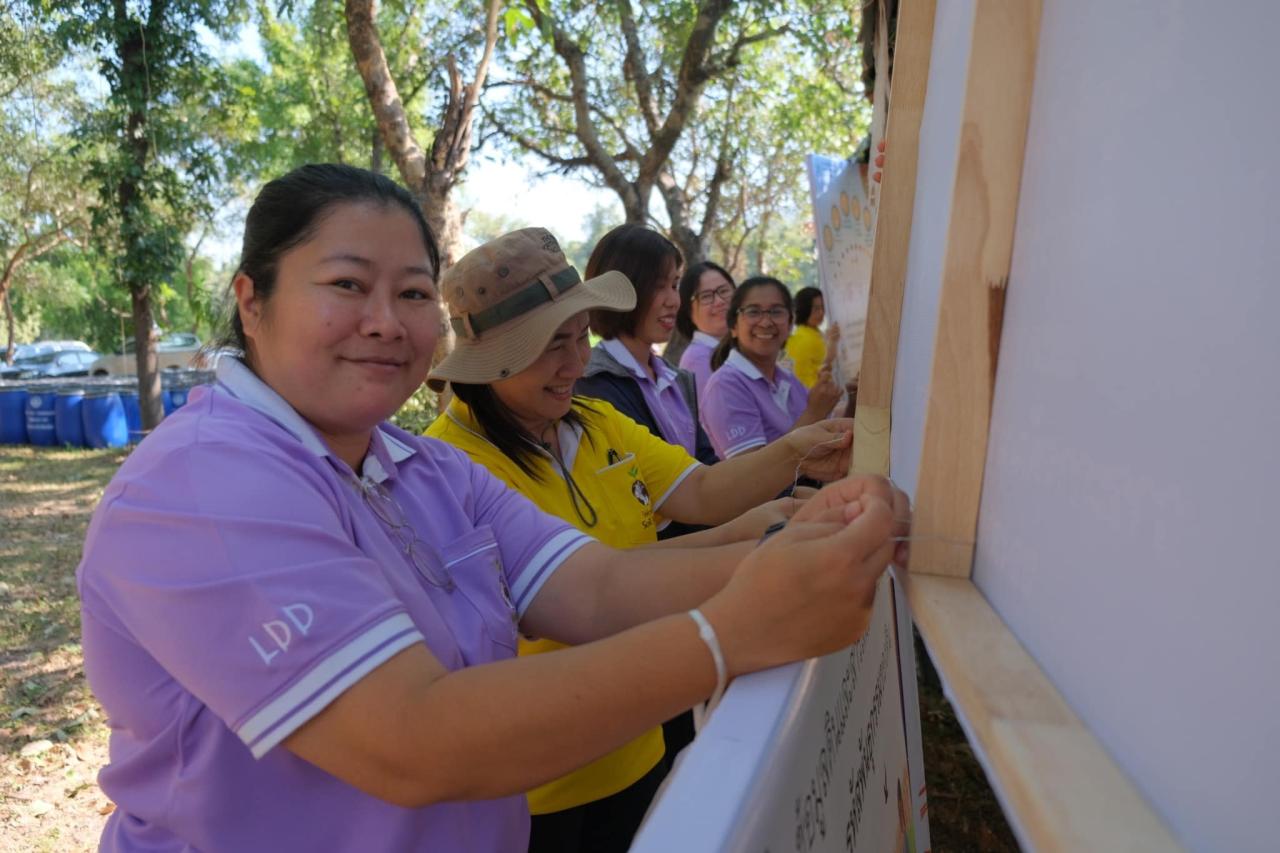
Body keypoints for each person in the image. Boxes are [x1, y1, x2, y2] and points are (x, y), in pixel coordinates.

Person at [76, 164, 909, 853]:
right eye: (345, 284)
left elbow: (598, 587)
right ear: (251, 301)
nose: (384, 322)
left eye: (409, 295)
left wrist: (807, 540)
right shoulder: (202, 483)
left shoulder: (422, 466)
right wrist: (731, 632)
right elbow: (411, 738)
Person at [425, 228, 866, 850]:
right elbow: (587, 592)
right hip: (539, 789)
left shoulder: (595, 419)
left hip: (637, 736)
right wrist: (763, 543)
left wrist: (797, 449)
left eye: (580, 336)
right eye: (553, 345)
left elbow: (704, 494)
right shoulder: (449, 470)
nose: (576, 363)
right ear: (491, 358)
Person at [574, 224, 715, 466]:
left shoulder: (676, 379)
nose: (673, 301)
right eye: (657, 286)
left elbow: (706, 462)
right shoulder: (593, 382)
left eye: (674, 285)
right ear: (618, 291)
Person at [702, 277, 843, 460]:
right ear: (734, 326)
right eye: (753, 312)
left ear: (790, 324)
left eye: (776, 312)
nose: (766, 322)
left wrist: (853, 398)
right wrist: (814, 412)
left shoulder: (786, 379)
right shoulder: (725, 386)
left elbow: (825, 442)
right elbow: (752, 475)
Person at [675, 260, 736, 398]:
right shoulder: (698, 359)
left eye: (724, 291)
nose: (719, 301)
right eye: (706, 296)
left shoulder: (734, 349)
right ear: (688, 311)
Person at [786, 286, 838, 389]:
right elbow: (802, 380)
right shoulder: (802, 339)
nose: (821, 313)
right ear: (804, 308)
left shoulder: (815, 333)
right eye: (816, 309)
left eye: (823, 307)